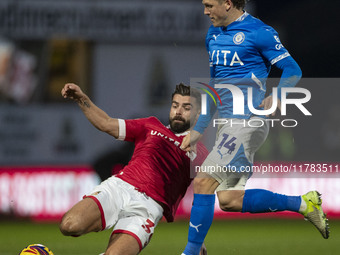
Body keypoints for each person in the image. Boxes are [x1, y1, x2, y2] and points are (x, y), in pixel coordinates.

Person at [181, 0, 329, 254]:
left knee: (203, 182)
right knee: (229, 200)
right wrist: (198, 129)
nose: (205, 12)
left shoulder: (260, 32)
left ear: (228, 3)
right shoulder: (213, 34)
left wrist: (280, 94)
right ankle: (304, 204)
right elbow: (215, 86)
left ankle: (192, 251)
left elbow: (292, 69)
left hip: (248, 121)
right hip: (226, 125)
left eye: (209, 5)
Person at [59, 83, 208, 255]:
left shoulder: (202, 154)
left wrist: (198, 241)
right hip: (119, 187)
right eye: (175, 106)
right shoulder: (150, 125)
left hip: (147, 209)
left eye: (186, 107)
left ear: (198, 115)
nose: (178, 111)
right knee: (69, 225)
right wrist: (81, 98)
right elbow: (106, 123)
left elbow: (205, 195)